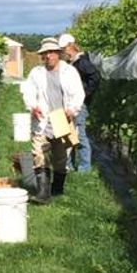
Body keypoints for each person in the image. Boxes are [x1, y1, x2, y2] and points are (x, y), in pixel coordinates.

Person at [21, 37, 84, 203]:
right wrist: (32, 106)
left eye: (51, 52)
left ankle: (57, 188)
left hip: (62, 120)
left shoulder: (69, 72)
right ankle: (43, 193)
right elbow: (28, 91)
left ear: (58, 53)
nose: (48, 56)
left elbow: (78, 94)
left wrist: (72, 109)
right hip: (43, 120)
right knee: (39, 154)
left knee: (60, 158)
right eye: (45, 53)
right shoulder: (36, 73)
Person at [58, 33, 99, 172]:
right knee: (68, 133)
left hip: (80, 104)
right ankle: (69, 164)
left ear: (70, 47)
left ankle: (85, 167)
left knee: (80, 134)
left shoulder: (83, 63)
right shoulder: (73, 63)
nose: (63, 53)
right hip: (70, 103)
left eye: (64, 49)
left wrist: (83, 94)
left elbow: (95, 78)